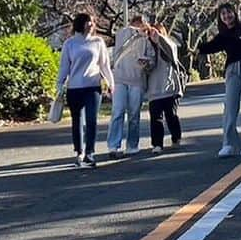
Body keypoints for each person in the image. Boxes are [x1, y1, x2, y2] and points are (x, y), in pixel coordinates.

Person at [198, 3, 241, 157]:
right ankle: (229, 143)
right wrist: (195, 49)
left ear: (235, 12)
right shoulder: (223, 35)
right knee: (230, 105)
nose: (227, 16)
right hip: (232, 70)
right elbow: (209, 47)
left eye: (229, 12)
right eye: (223, 14)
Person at [54, 12, 114, 167]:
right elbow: (64, 67)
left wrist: (111, 83)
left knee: (92, 120)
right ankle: (79, 152)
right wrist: (60, 84)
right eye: (88, 21)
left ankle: (90, 153)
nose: (91, 24)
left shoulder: (98, 42)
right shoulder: (70, 44)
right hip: (74, 88)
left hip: (93, 86)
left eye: (93, 22)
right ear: (80, 23)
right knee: (77, 121)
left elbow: (104, 65)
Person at [109, 14, 153, 157]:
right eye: (138, 23)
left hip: (137, 80)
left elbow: (152, 60)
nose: (140, 26)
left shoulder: (147, 41)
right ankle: (113, 145)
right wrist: (136, 31)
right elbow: (126, 34)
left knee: (134, 114)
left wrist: (147, 63)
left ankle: (132, 145)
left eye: (142, 24)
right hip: (120, 78)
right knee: (118, 111)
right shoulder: (123, 33)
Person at [145, 23, 184, 153]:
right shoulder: (147, 48)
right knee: (156, 118)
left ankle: (176, 137)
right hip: (154, 89)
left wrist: (160, 39)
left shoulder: (169, 46)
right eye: (151, 33)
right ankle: (157, 144)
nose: (153, 36)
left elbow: (171, 50)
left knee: (171, 115)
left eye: (157, 33)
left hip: (170, 88)